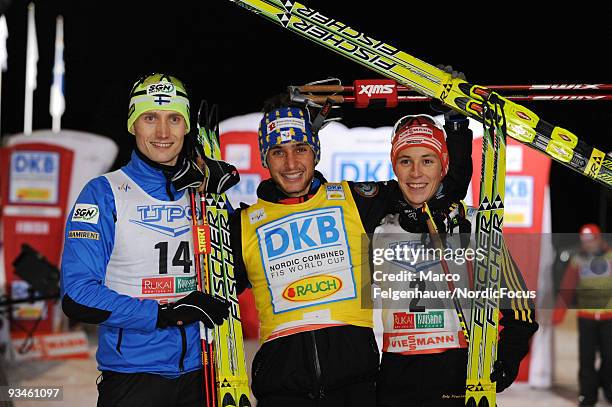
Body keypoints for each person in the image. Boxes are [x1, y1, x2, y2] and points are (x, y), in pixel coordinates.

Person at [229, 93, 474, 406]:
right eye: (278, 152)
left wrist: (455, 125)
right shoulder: (243, 224)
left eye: (301, 149)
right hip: (283, 392)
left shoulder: (356, 200)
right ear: (265, 158)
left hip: (354, 389)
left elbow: (437, 190)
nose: (291, 163)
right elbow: (214, 294)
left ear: (315, 152)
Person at [61, 73, 233, 407]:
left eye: (174, 119)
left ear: (186, 127)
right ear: (132, 125)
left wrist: (238, 220)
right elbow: (77, 295)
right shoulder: (103, 193)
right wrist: (165, 314)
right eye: (150, 117)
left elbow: (225, 274)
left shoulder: (202, 197)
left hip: (204, 374)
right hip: (133, 379)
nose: (163, 133)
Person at [372, 114, 539, 406]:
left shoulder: (474, 225)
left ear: (443, 166)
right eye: (405, 161)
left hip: (458, 373)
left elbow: (520, 307)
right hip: (395, 376)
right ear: (394, 167)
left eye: (427, 160)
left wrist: (507, 358)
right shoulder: (377, 226)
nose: (415, 173)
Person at [555, 224, 611, 407]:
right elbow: (567, 286)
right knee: (586, 358)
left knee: (609, 357)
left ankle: (609, 389)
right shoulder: (577, 259)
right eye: (584, 241)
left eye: (591, 240)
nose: (587, 244)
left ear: (599, 238)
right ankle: (588, 395)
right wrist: (559, 312)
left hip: (609, 318)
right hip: (586, 316)